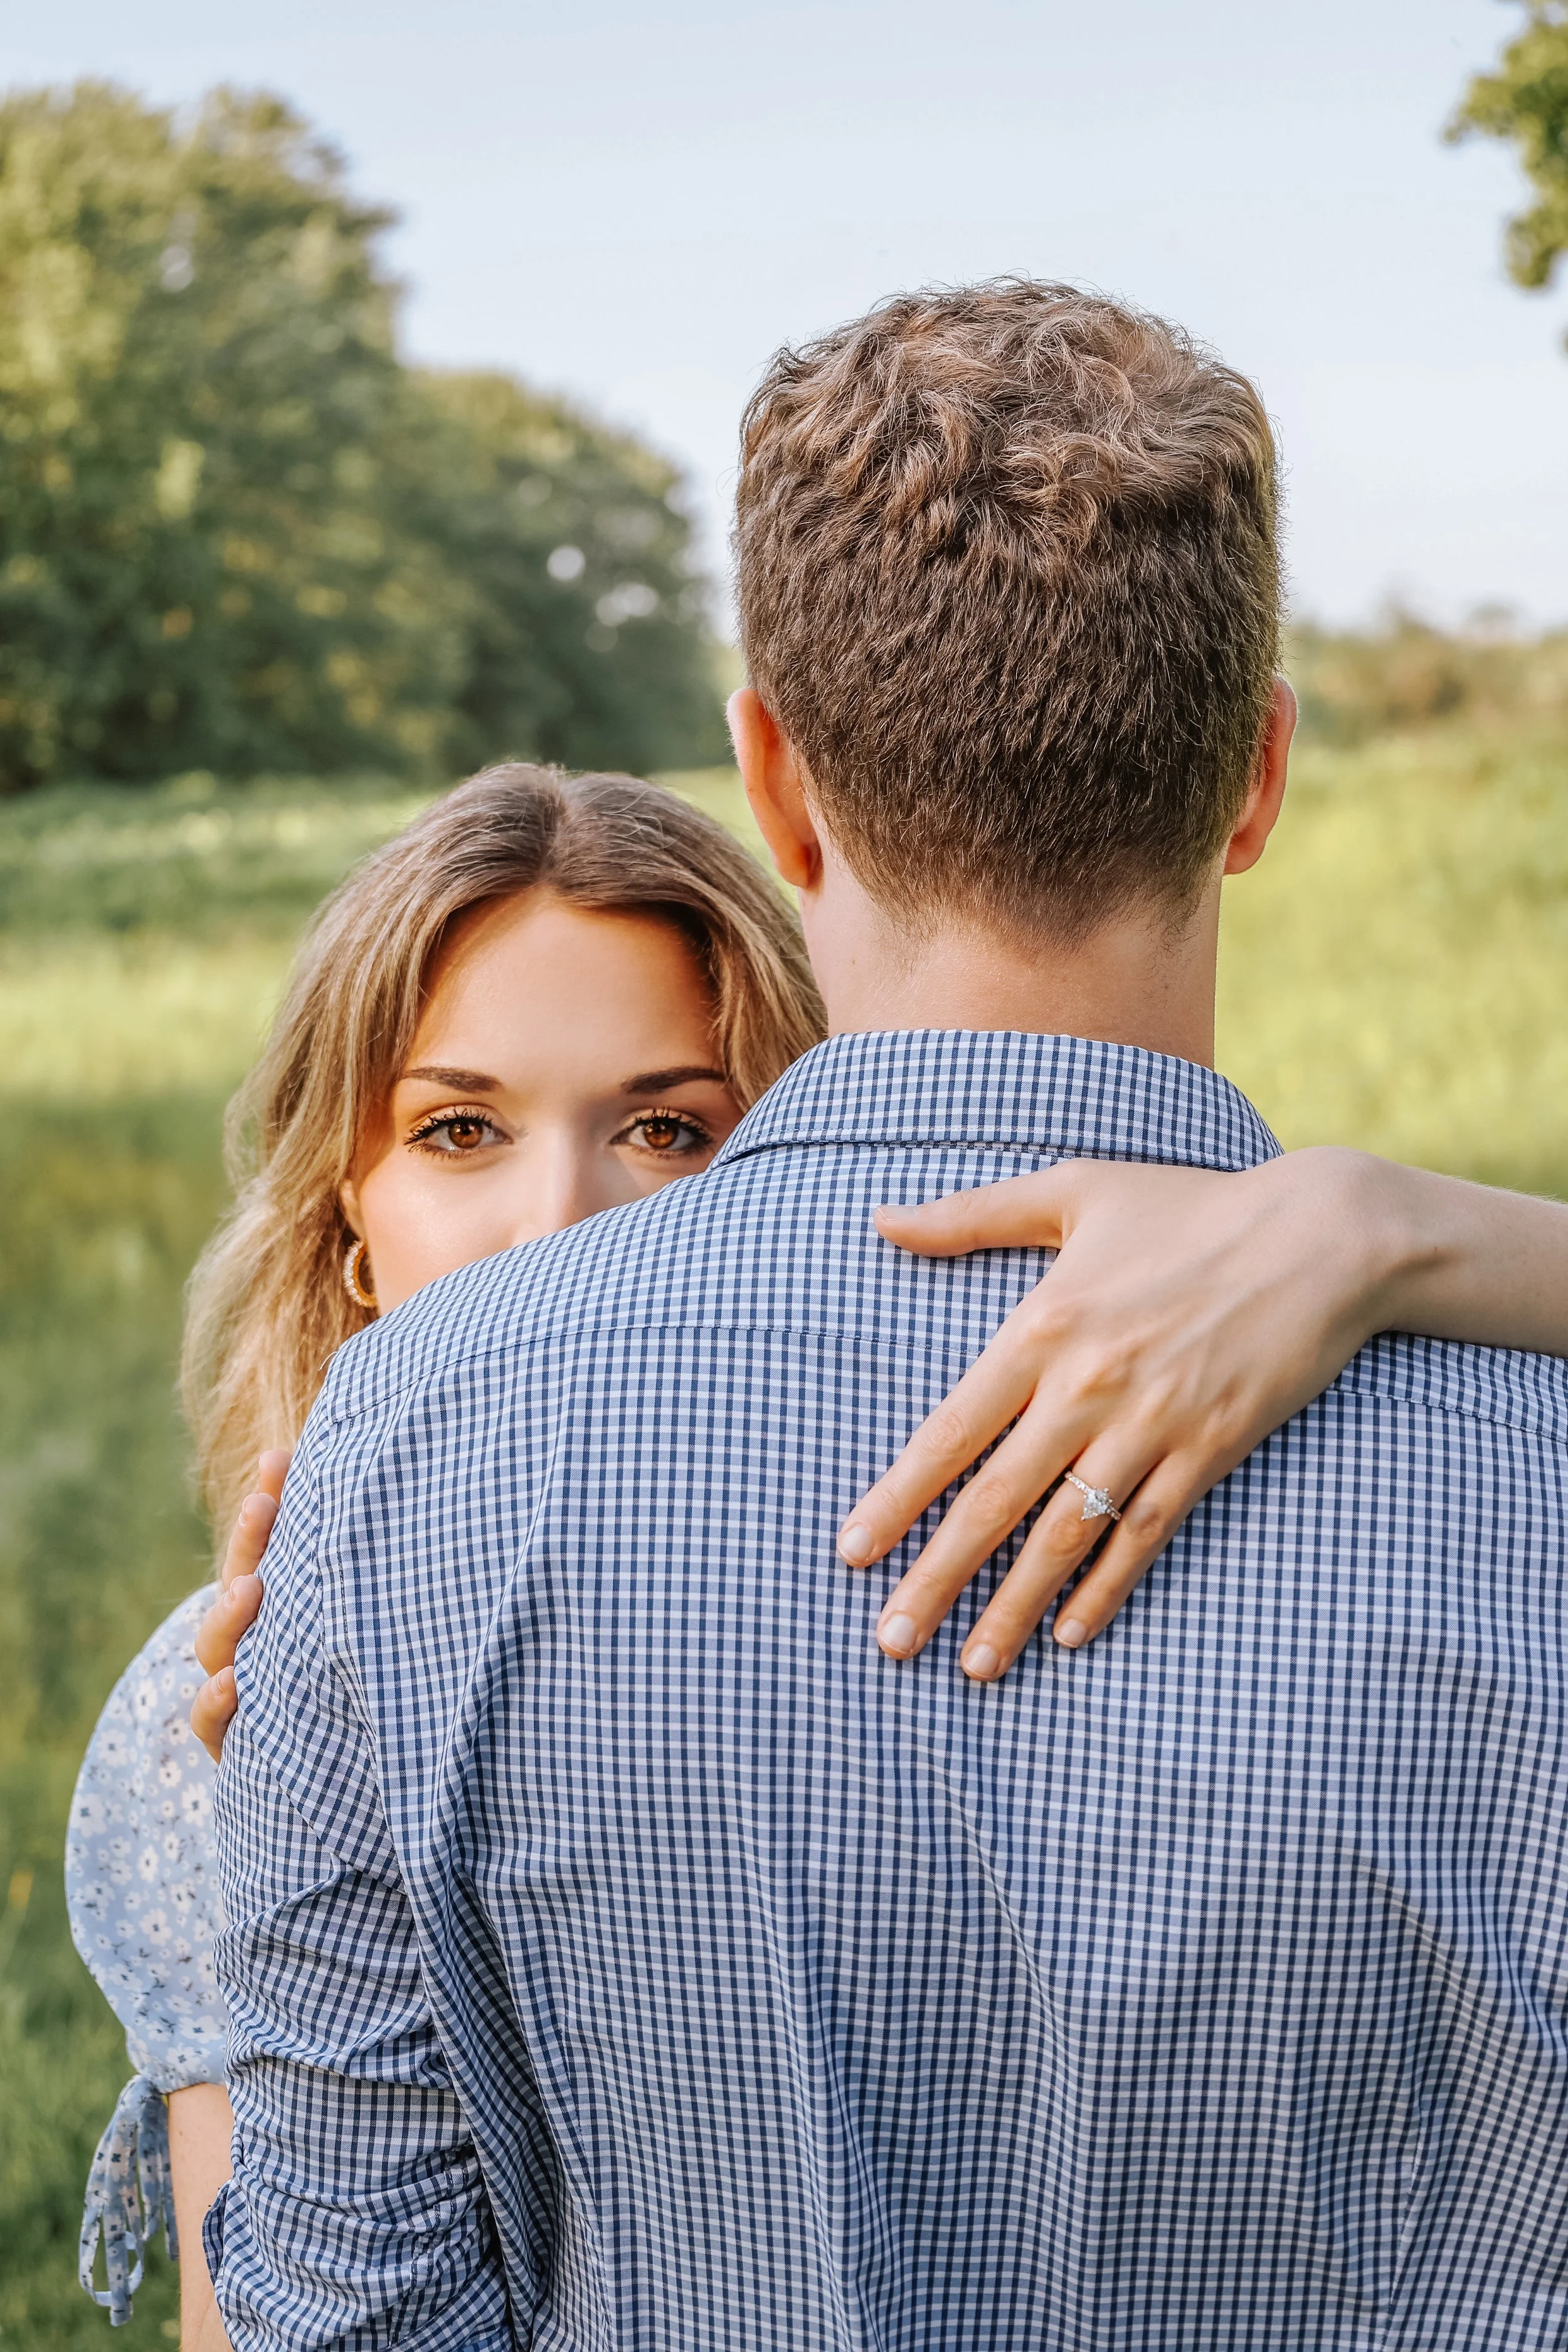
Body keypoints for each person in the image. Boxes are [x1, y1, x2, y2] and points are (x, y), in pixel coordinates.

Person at [203, 281, 1568, 2349]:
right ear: (1257, 775)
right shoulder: (1519, 1445)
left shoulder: (408, 1444)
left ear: (773, 777)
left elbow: (349, 2310)